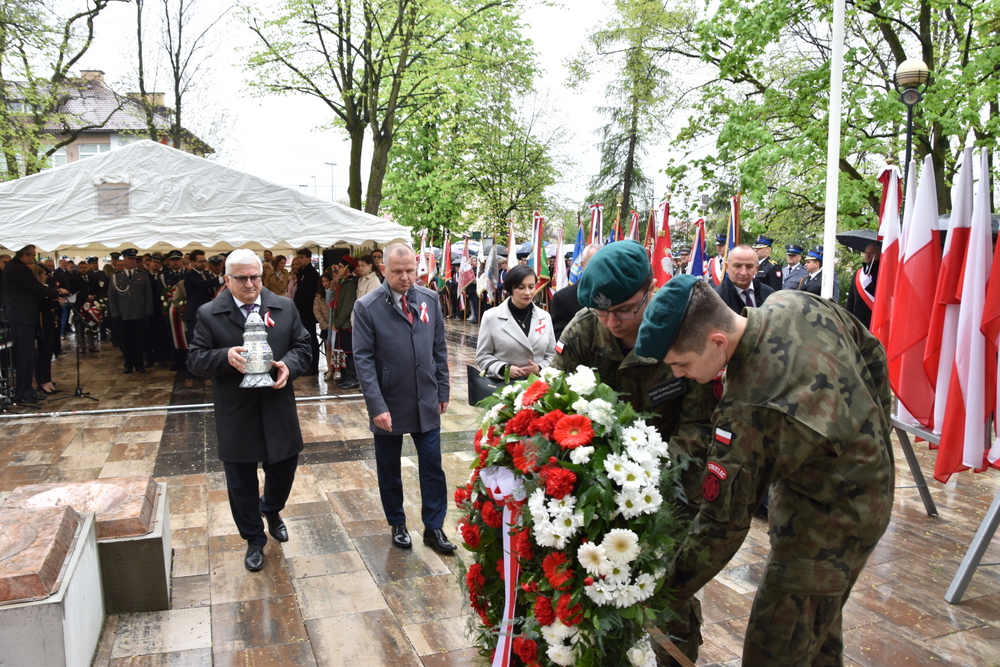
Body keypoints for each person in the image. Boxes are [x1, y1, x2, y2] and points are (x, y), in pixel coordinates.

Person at [635, 275, 894, 666]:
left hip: (826, 523)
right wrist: (872, 429)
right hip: (872, 482)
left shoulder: (748, 410)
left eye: (681, 364)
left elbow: (722, 525)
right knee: (816, 627)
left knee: (775, 647)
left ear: (716, 341)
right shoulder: (795, 303)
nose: (677, 375)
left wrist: (662, 595)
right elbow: (872, 353)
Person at [550, 241, 717, 664]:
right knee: (594, 587)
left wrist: (651, 476)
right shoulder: (584, 331)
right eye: (603, 311)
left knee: (667, 592)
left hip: (669, 488)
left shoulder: (681, 331)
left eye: (624, 309)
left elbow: (701, 424)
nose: (612, 322)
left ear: (651, 289)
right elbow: (559, 409)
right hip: (599, 488)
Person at [186, 248, 312, 572]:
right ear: (227, 280)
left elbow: (303, 346)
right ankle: (254, 539)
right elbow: (195, 360)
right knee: (241, 483)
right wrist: (224, 357)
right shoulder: (209, 313)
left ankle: (271, 508)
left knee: (283, 471)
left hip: (277, 408)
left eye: (255, 276)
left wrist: (290, 366)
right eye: (241, 278)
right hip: (237, 413)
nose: (250, 284)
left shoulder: (283, 306)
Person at [353, 244, 455, 554]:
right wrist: (376, 406)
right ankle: (397, 522)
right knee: (389, 467)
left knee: (432, 465)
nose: (406, 277)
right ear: (383, 269)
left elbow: (439, 348)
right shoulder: (367, 307)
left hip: (425, 398)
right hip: (390, 402)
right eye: (398, 271)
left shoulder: (429, 299)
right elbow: (363, 360)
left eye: (411, 270)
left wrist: (443, 390)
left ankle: (434, 527)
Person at [2, 245, 68, 404]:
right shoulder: (18, 268)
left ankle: (28, 389)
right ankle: (22, 393)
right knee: (25, 356)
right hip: (21, 317)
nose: (33, 259)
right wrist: (56, 292)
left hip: (24, 317)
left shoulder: (15, 267)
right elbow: (35, 287)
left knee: (29, 355)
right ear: (24, 256)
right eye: (32, 256)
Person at [476, 265, 556, 381]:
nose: (527, 292)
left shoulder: (545, 316)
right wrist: (504, 369)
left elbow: (552, 356)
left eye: (531, 287)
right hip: (504, 388)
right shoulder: (491, 317)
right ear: (510, 289)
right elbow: (482, 357)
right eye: (521, 287)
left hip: (538, 388)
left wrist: (539, 368)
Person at [107, 248, 154, 374]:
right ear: (124, 260)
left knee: (139, 340)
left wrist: (148, 310)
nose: (132, 261)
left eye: (134, 259)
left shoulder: (142, 274)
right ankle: (128, 364)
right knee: (126, 342)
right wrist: (114, 313)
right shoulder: (116, 276)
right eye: (130, 259)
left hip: (139, 313)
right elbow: (111, 296)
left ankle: (139, 364)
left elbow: (148, 294)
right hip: (123, 314)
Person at [182, 249, 224, 386]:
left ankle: (206, 376)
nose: (203, 263)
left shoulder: (204, 274)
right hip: (194, 316)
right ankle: (189, 376)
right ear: (192, 262)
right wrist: (222, 279)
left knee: (207, 345)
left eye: (203, 261)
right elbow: (203, 285)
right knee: (194, 346)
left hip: (205, 315)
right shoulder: (190, 276)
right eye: (200, 261)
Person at [548, 243, 600, 340]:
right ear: (582, 265)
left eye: (604, 263)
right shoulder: (563, 298)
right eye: (594, 262)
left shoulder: (613, 294)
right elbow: (558, 339)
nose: (599, 267)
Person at [716, 244, 775, 313]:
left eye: (749, 266)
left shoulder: (769, 294)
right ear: (727, 267)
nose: (743, 272)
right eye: (737, 266)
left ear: (756, 269)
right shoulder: (717, 299)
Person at [293, 248, 321, 375]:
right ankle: (306, 364)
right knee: (304, 338)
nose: (300, 260)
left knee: (311, 338)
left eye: (302, 257)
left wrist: (297, 304)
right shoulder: (302, 272)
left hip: (308, 310)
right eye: (298, 257)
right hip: (301, 310)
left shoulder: (312, 274)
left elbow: (308, 294)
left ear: (309, 258)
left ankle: (313, 365)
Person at [845, 243, 879, 328]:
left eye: (872, 253)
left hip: (873, 318)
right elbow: (851, 300)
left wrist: (869, 284)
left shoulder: (882, 273)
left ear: (879, 255)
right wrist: (847, 318)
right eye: (866, 252)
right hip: (857, 319)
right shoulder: (858, 273)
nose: (868, 255)